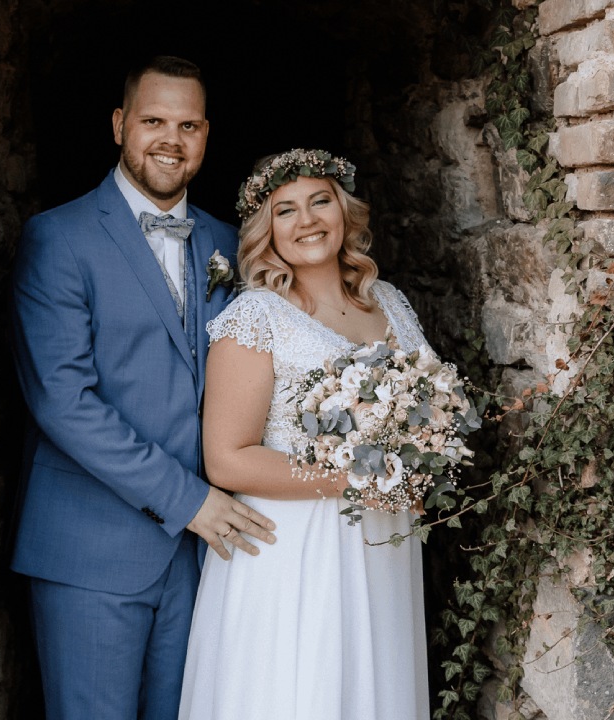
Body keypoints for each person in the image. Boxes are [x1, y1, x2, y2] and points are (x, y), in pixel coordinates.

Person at [9, 55, 276, 720]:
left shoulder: (228, 242)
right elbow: (62, 401)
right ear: (119, 124)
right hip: (90, 550)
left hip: (204, 558)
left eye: (188, 125)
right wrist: (189, 499)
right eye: (154, 120)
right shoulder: (58, 238)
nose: (171, 139)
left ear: (207, 135)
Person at [178, 149, 431, 719]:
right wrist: (355, 478)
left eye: (321, 202)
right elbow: (227, 460)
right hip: (293, 543)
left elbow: (426, 407)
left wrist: (423, 461)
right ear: (267, 231)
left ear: (344, 213)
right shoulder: (256, 316)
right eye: (285, 210)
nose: (308, 221)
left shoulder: (388, 300)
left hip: (385, 533)